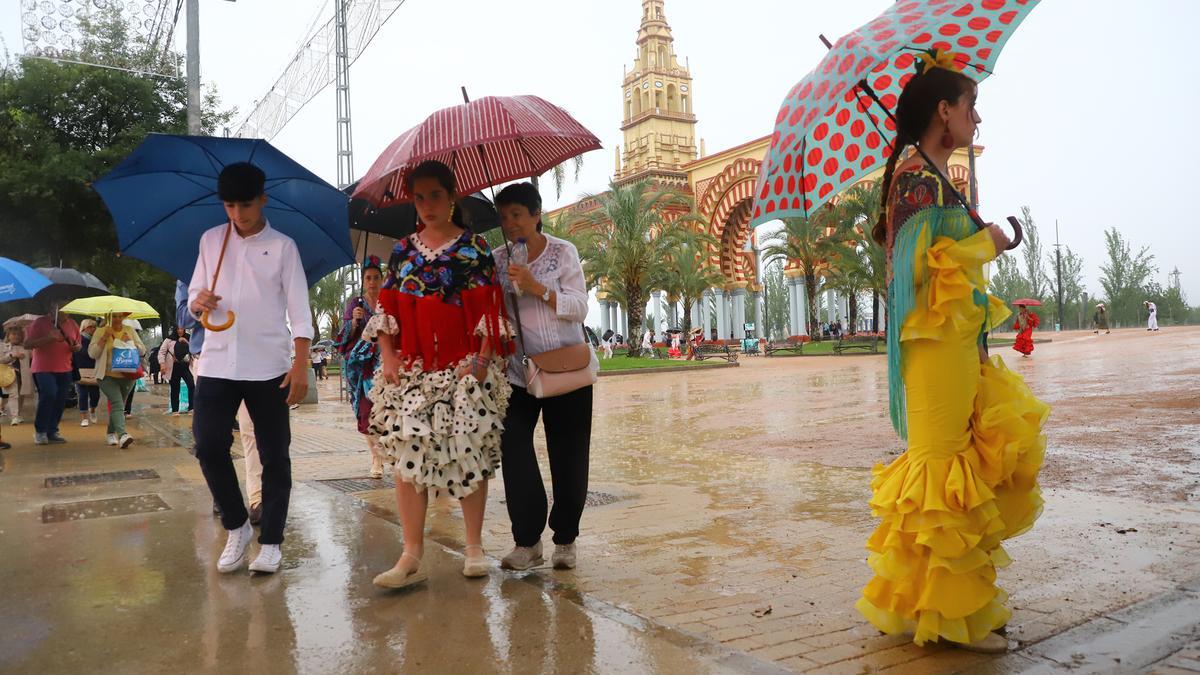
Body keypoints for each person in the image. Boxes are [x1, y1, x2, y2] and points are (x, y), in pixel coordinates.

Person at [856, 49, 1048, 653]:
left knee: (952, 467)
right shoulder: (914, 177)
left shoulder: (933, 177)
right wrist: (983, 245)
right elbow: (910, 274)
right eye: (971, 106)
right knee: (942, 471)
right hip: (932, 347)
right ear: (944, 110)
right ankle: (954, 616)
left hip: (957, 343)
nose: (977, 119)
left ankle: (928, 604)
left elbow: (945, 270)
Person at [365, 160, 512, 589]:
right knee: (408, 458)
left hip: (463, 367)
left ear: (451, 198)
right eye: (419, 197)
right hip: (411, 369)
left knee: (468, 453)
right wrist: (388, 357)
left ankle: (473, 547)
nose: (427, 204)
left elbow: (491, 309)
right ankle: (410, 553)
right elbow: (386, 309)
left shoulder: (474, 248)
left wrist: (482, 360)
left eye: (435, 196)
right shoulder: (403, 250)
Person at [188, 161, 312, 575]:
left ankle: (272, 540)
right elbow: (193, 293)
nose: (238, 214)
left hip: (268, 366)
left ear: (263, 199)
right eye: (229, 205)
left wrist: (300, 364)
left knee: (275, 455)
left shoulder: (283, 247)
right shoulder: (211, 242)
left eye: (245, 204)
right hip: (219, 362)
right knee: (207, 444)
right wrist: (198, 302)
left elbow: (299, 308)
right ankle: (237, 525)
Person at [492, 182, 594, 572]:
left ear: (536, 214)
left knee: (568, 457)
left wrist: (538, 288)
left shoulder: (562, 253)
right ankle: (527, 541)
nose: (510, 224)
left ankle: (565, 539)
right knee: (514, 448)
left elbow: (580, 308)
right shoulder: (498, 259)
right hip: (519, 372)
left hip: (566, 371)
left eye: (517, 215)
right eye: (503, 218)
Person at [335, 255, 386, 479]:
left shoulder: (390, 301)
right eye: (368, 278)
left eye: (376, 277)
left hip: (388, 364)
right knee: (367, 412)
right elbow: (344, 337)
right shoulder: (355, 304)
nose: (372, 282)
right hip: (364, 368)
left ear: (382, 278)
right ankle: (376, 457)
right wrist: (354, 322)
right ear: (363, 281)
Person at [24, 303, 82, 445]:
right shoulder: (40, 323)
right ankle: (40, 431)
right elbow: (27, 344)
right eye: (63, 307)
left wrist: (76, 347)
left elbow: (78, 344)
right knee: (49, 394)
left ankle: (52, 430)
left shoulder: (73, 323)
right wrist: (48, 338)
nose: (66, 311)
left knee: (60, 399)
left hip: (65, 368)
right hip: (43, 368)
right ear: (53, 308)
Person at [88, 313, 147, 448]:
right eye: (114, 316)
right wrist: (104, 338)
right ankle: (123, 435)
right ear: (108, 317)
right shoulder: (101, 331)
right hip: (107, 376)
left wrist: (130, 343)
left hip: (128, 376)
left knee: (119, 406)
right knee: (117, 403)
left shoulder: (129, 330)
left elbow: (143, 350)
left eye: (120, 316)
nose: (118, 319)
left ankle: (110, 433)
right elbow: (92, 354)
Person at [72, 319, 101, 427]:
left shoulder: (97, 340)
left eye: (94, 327)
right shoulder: (78, 339)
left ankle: (92, 410)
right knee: (82, 394)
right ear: (84, 328)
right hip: (80, 370)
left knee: (95, 395)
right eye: (90, 327)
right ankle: (84, 417)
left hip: (95, 370)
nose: (93, 329)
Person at [160, 326, 195, 415]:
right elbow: (162, 352)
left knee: (191, 384)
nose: (180, 331)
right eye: (178, 329)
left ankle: (192, 408)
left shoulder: (189, 337)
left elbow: (194, 349)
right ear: (175, 329)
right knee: (175, 388)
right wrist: (162, 364)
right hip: (174, 366)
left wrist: (185, 341)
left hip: (186, 366)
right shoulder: (169, 339)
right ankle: (175, 410)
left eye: (182, 329)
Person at [1, 326, 31, 426]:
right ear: (8, 336)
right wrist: (12, 356)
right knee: (13, 395)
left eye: (19, 334)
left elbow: (33, 357)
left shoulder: (26, 347)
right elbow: (1, 360)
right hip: (9, 373)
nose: (16, 336)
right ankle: (14, 417)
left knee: (21, 394)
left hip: (23, 373)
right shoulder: (3, 346)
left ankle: (18, 414)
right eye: (14, 334)